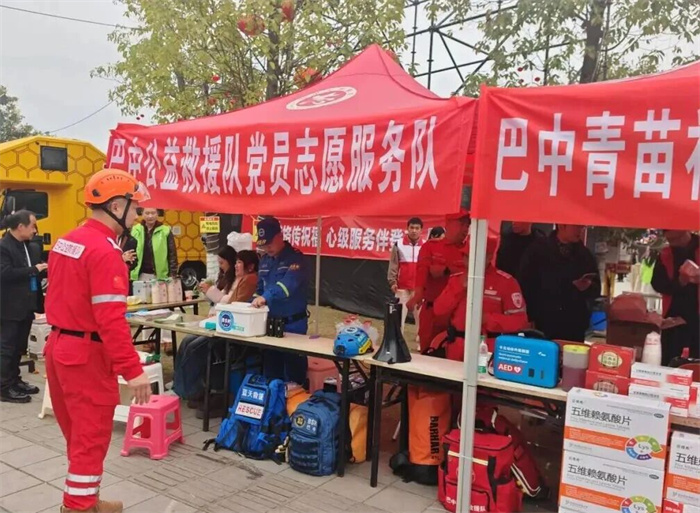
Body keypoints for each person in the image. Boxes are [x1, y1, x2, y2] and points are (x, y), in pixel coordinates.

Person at [44, 169, 152, 513]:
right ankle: (79, 507)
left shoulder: (67, 241)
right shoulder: (106, 253)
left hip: (59, 346)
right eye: (135, 208)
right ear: (116, 206)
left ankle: (87, 499)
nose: (137, 216)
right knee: (90, 438)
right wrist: (133, 371)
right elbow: (111, 321)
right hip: (86, 355)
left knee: (78, 434)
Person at [174, 248, 259, 406]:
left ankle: (192, 391)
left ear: (250, 266)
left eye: (239, 262)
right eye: (236, 262)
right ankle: (182, 388)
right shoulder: (235, 279)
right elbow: (225, 300)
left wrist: (212, 293)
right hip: (218, 323)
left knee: (193, 348)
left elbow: (232, 303)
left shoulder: (249, 279)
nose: (235, 265)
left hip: (227, 329)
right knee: (186, 342)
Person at [430, 235, 529, 359]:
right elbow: (439, 310)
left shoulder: (506, 283)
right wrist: (459, 288)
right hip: (457, 348)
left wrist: (487, 319)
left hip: (488, 350)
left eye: (472, 255)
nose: (466, 259)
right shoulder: (457, 280)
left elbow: (519, 321)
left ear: (488, 257)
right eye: (465, 255)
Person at [251, 217, 309, 385]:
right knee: (271, 371)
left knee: (294, 374)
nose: (267, 247)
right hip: (270, 324)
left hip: (293, 324)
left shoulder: (296, 259)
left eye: (270, 243)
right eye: (263, 244)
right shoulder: (265, 261)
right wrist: (253, 302)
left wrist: (265, 297)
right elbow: (259, 290)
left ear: (280, 236)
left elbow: (287, 286)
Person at [519, 224, 601, 342]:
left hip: (574, 322)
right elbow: (525, 285)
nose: (581, 230)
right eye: (577, 227)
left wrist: (587, 286)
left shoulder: (585, 254)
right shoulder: (537, 250)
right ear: (562, 225)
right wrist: (529, 316)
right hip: (544, 321)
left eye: (583, 227)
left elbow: (597, 288)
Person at [407, 210, 470, 352]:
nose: (465, 229)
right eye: (462, 224)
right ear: (448, 225)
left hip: (458, 315)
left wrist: (446, 270)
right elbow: (422, 271)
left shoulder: (471, 250)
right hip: (432, 311)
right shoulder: (431, 247)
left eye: (467, 226)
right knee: (427, 351)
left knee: (454, 354)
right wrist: (418, 294)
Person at [0, 210, 46, 403]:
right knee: (7, 347)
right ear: (20, 226)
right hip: (9, 306)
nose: (35, 230)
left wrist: (42, 270)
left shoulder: (29, 246)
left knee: (20, 346)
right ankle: (4, 387)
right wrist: (33, 270)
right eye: (33, 225)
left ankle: (15, 380)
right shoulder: (4, 247)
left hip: (27, 304)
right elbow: (5, 273)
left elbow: (34, 270)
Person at [651, 230, 699, 364]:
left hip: (697, 317)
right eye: (670, 240)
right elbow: (657, 284)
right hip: (673, 318)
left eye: (677, 238)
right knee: (669, 359)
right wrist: (680, 282)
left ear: (686, 231)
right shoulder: (666, 254)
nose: (675, 243)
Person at [387, 217, 424, 339]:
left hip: (419, 288)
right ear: (407, 228)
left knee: (421, 318)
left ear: (421, 230)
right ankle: (398, 341)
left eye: (417, 228)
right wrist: (392, 282)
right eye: (411, 228)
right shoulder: (398, 244)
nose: (414, 231)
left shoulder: (425, 246)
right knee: (399, 317)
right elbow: (393, 264)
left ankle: (421, 342)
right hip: (402, 287)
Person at [129, 207, 178, 282]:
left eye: (153, 213)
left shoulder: (165, 231)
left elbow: (172, 254)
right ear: (142, 213)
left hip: (159, 276)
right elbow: (130, 251)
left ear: (157, 214)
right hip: (138, 275)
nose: (150, 216)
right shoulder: (135, 230)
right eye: (147, 213)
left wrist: (172, 275)